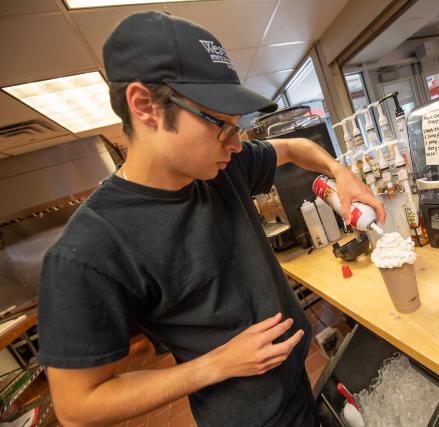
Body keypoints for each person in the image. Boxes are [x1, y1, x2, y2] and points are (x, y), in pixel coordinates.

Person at [37, 10, 385, 427]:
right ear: (145, 105)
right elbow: (77, 405)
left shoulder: (223, 167)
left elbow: (293, 148)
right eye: (221, 125)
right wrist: (215, 365)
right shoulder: (89, 250)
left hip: (296, 385)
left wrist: (340, 172)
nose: (236, 144)